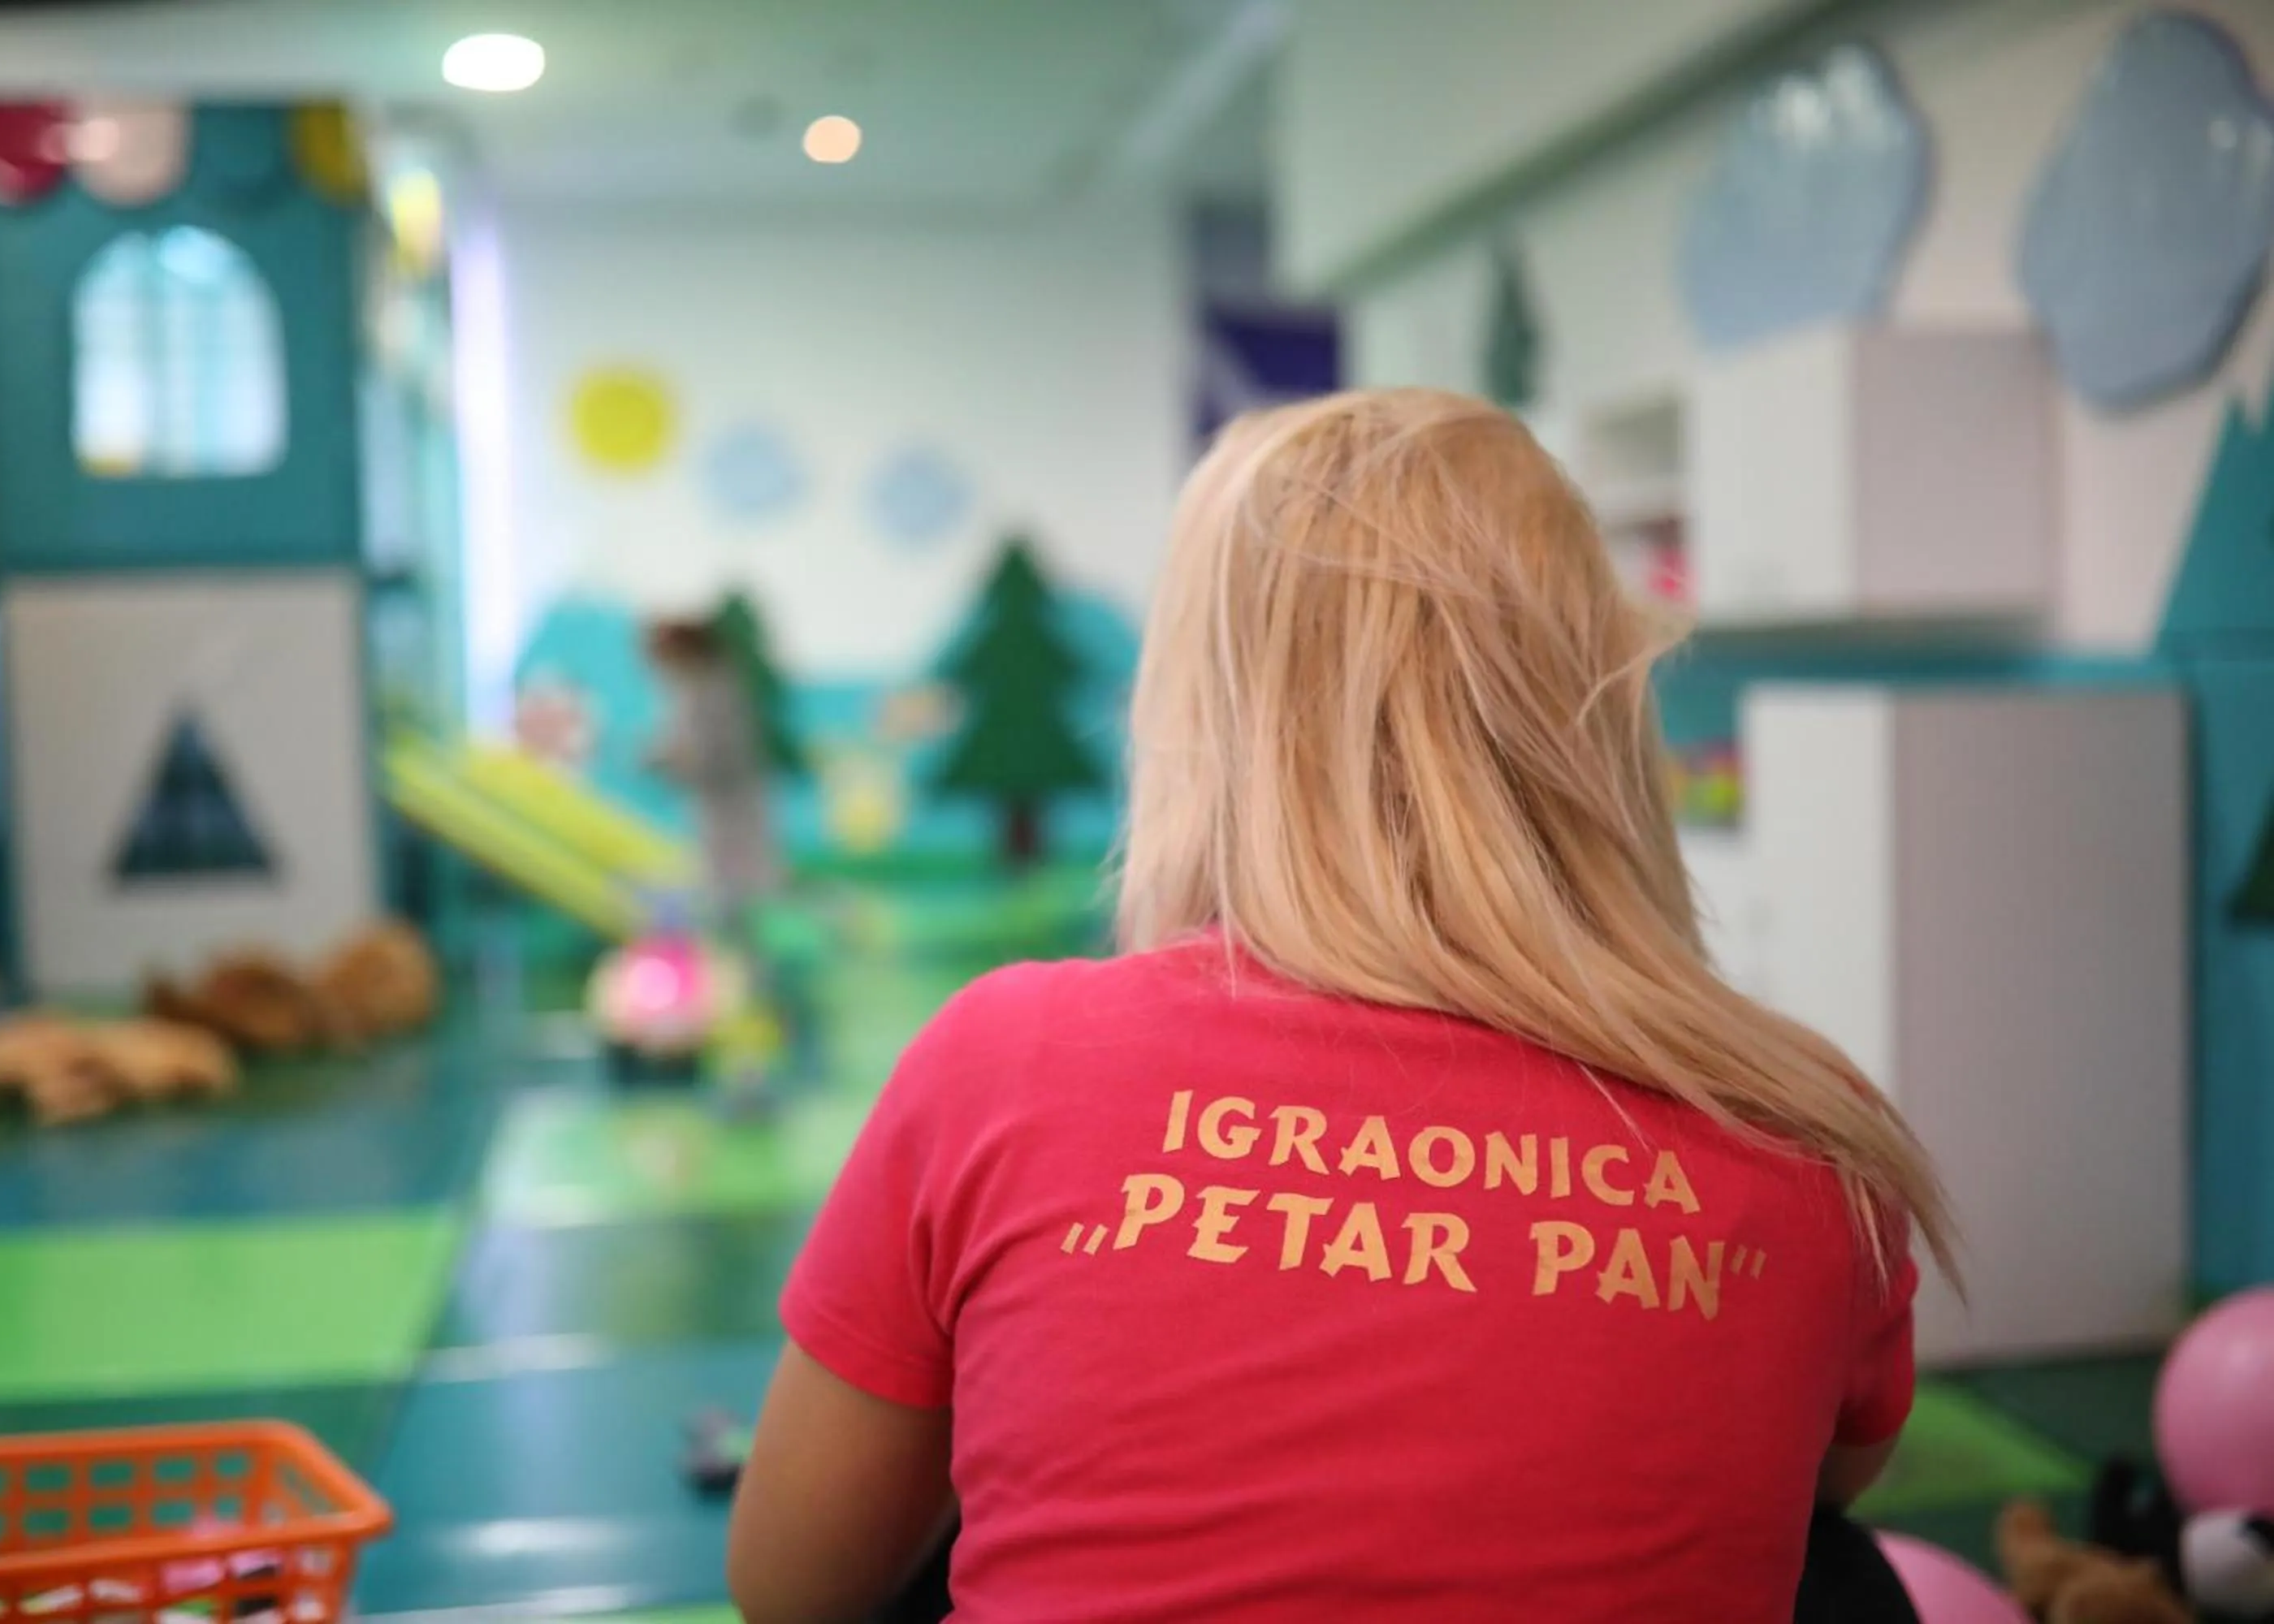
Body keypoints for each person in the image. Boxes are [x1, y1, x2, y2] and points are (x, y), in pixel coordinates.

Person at [729, 390, 1955, 1623]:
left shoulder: (1009, 1054)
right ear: (1598, 703)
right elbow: (1829, 1471)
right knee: (1839, 1574)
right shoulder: (1804, 1129)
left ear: (1209, 719)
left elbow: (788, 1589)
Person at [645, 614, 780, 925]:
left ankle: (747, 924)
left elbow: (713, 745)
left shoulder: (713, 686)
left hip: (731, 789)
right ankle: (736, 919)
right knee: (721, 862)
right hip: (717, 793)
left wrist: (677, 760)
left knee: (739, 864)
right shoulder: (691, 687)